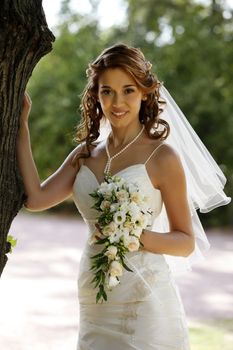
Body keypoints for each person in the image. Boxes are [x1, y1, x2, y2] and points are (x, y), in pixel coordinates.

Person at [17, 44, 230, 350]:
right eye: (107, 91)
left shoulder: (163, 157)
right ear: (96, 95)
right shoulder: (86, 154)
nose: (117, 102)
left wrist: (132, 235)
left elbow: (185, 241)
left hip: (143, 299)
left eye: (128, 90)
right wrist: (21, 126)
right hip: (95, 293)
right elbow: (35, 199)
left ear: (145, 93)